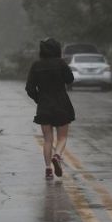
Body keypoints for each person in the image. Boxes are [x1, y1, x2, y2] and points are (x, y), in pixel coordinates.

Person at [25, 37, 75, 180]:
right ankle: (57, 155)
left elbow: (29, 88)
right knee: (63, 137)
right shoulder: (60, 63)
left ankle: (48, 169)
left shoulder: (36, 66)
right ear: (57, 50)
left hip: (44, 106)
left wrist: (38, 99)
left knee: (47, 139)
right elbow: (70, 79)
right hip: (62, 105)